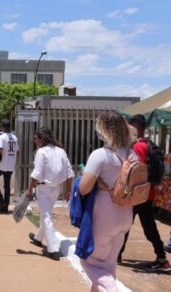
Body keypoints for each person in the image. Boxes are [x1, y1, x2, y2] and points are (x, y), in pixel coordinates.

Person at [78, 112, 136, 291]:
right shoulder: (132, 155)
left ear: (103, 129)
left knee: (89, 261)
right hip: (125, 214)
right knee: (108, 265)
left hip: (104, 215)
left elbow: (84, 189)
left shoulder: (100, 155)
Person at [118, 114, 170, 271]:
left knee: (125, 224)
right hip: (146, 194)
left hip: (138, 195)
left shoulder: (139, 147)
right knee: (148, 227)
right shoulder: (148, 144)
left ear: (136, 127)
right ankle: (161, 259)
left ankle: (117, 254)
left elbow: (136, 171)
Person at [26, 127, 74, 261]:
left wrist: (29, 189)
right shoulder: (61, 151)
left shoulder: (41, 152)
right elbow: (70, 173)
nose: (34, 140)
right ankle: (38, 238)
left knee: (46, 216)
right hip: (56, 188)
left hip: (44, 189)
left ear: (41, 138)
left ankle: (53, 250)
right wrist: (68, 190)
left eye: (36, 138)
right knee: (46, 213)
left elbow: (37, 174)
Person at [0, 119, 19, 213]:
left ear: (3, 127)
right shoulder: (15, 137)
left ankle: (1, 201)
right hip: (11, 165)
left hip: (1, 165)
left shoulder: (1, 137)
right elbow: (17, 152)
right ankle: (5, 206)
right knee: (7, 186)